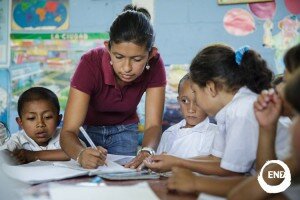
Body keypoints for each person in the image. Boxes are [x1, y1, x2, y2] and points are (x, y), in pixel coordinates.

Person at [60, 4, 166, 169]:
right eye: (119, 56)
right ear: (108, 48)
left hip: (125, 129)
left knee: (125, 178)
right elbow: (68, 132)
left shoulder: (156, 64)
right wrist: (80, 154)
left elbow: (153, 125)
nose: (127, 68)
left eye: (137, 59)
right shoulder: (89, 62)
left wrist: (147, 150)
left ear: (150, 55)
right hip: (87, 130)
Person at [145, 44, 274, 176]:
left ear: (211, 88)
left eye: (195, 92)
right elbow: (216, 160)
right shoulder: (229, 112)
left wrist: (177, 163)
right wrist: (175, 161)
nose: (193, 106)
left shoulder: (240, 110)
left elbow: (231, 171)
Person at [228, 44, 300, 200]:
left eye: (286, 81)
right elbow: (264, 187)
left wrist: (194, 182)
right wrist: (267, 128)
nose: (278, 87)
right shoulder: (294, 161)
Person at [2, 87, 69, 164]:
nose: (40, 124)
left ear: (58, 119)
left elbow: (76, 153)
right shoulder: (18, 140)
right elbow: (3, 153)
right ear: (20, 122)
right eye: (31, 118)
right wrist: (8, 155)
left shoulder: (65, 136)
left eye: (47, 117)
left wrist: (34, 155)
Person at [156, 74, 217, 158]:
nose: (191, 109)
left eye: (198, 101)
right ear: (178, 101)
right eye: (184, 100)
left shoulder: (216, 135)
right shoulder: (168, 133)